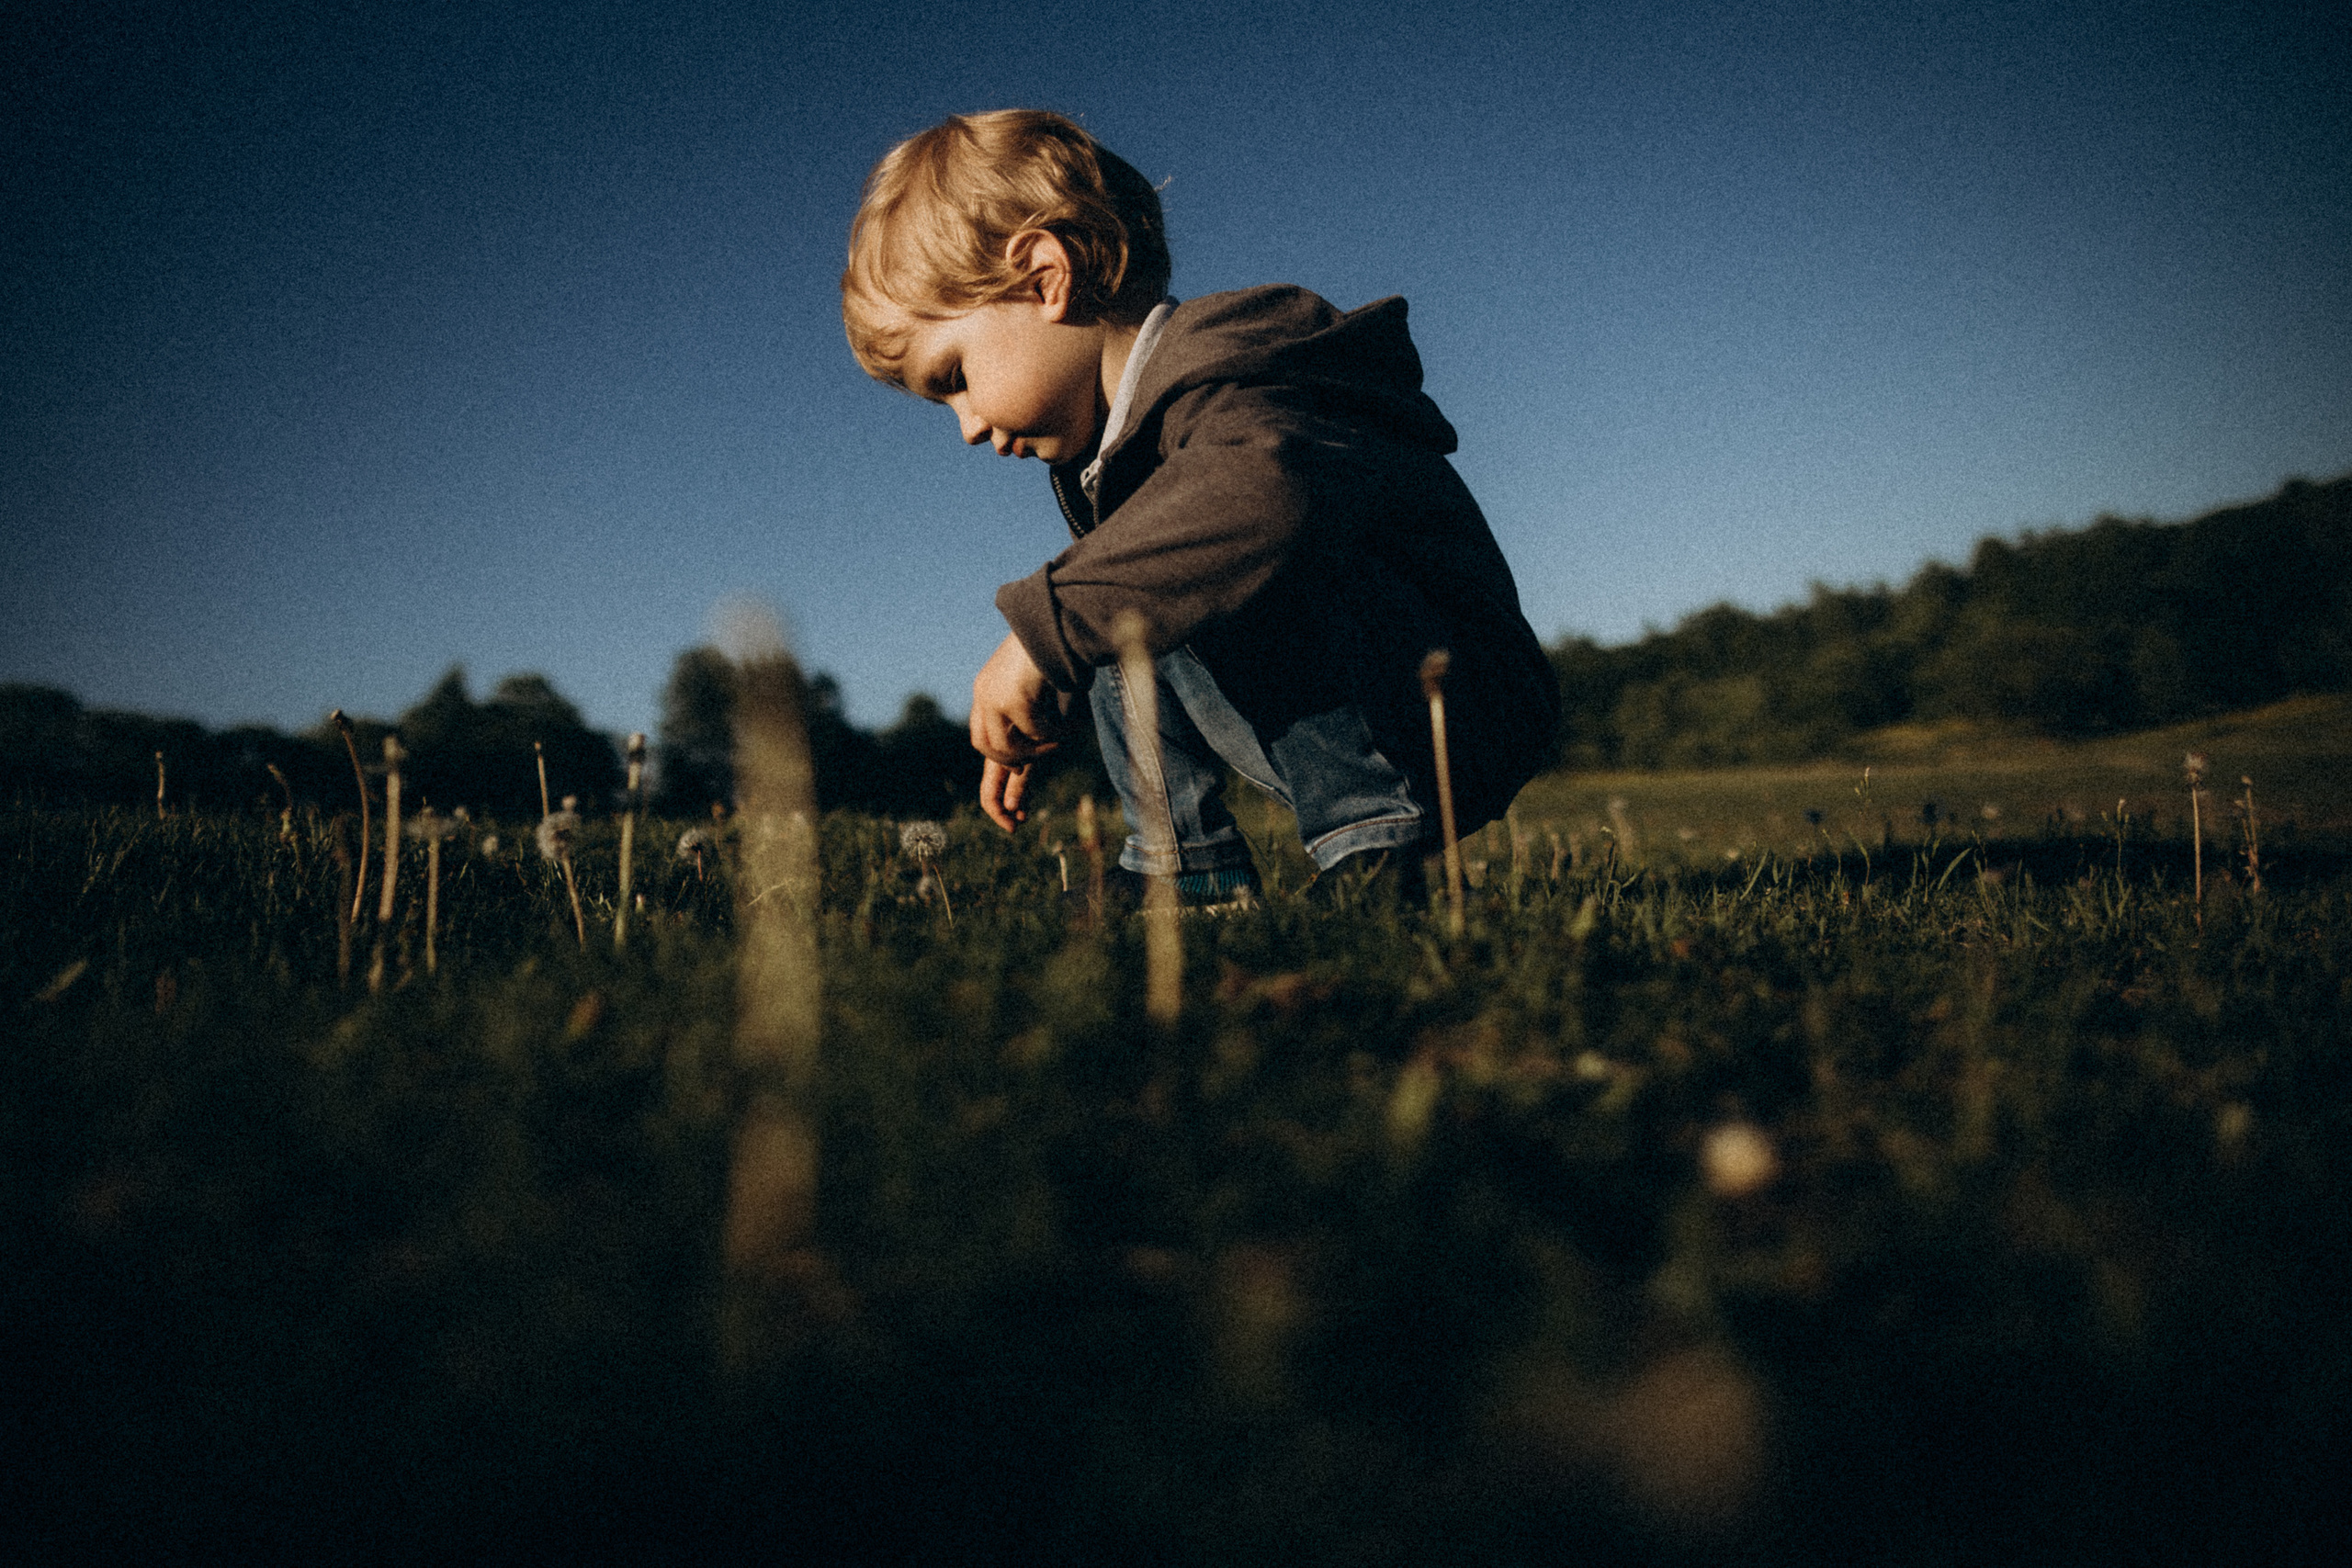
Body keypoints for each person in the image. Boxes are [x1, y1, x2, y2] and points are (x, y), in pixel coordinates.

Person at [842, 109, 1558, 904]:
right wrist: (1058, 673)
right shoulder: (1120, 452)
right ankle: (1185, 866)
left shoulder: (1231, 371)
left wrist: (1045, 631)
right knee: (1116, 587)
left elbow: (1267, 497)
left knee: (1171, 551)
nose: (968, 427)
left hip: (1460, 699)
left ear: (1046, 278)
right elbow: (1111, 601)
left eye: (955, 378)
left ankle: (1380, 851)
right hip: (1391, 705)